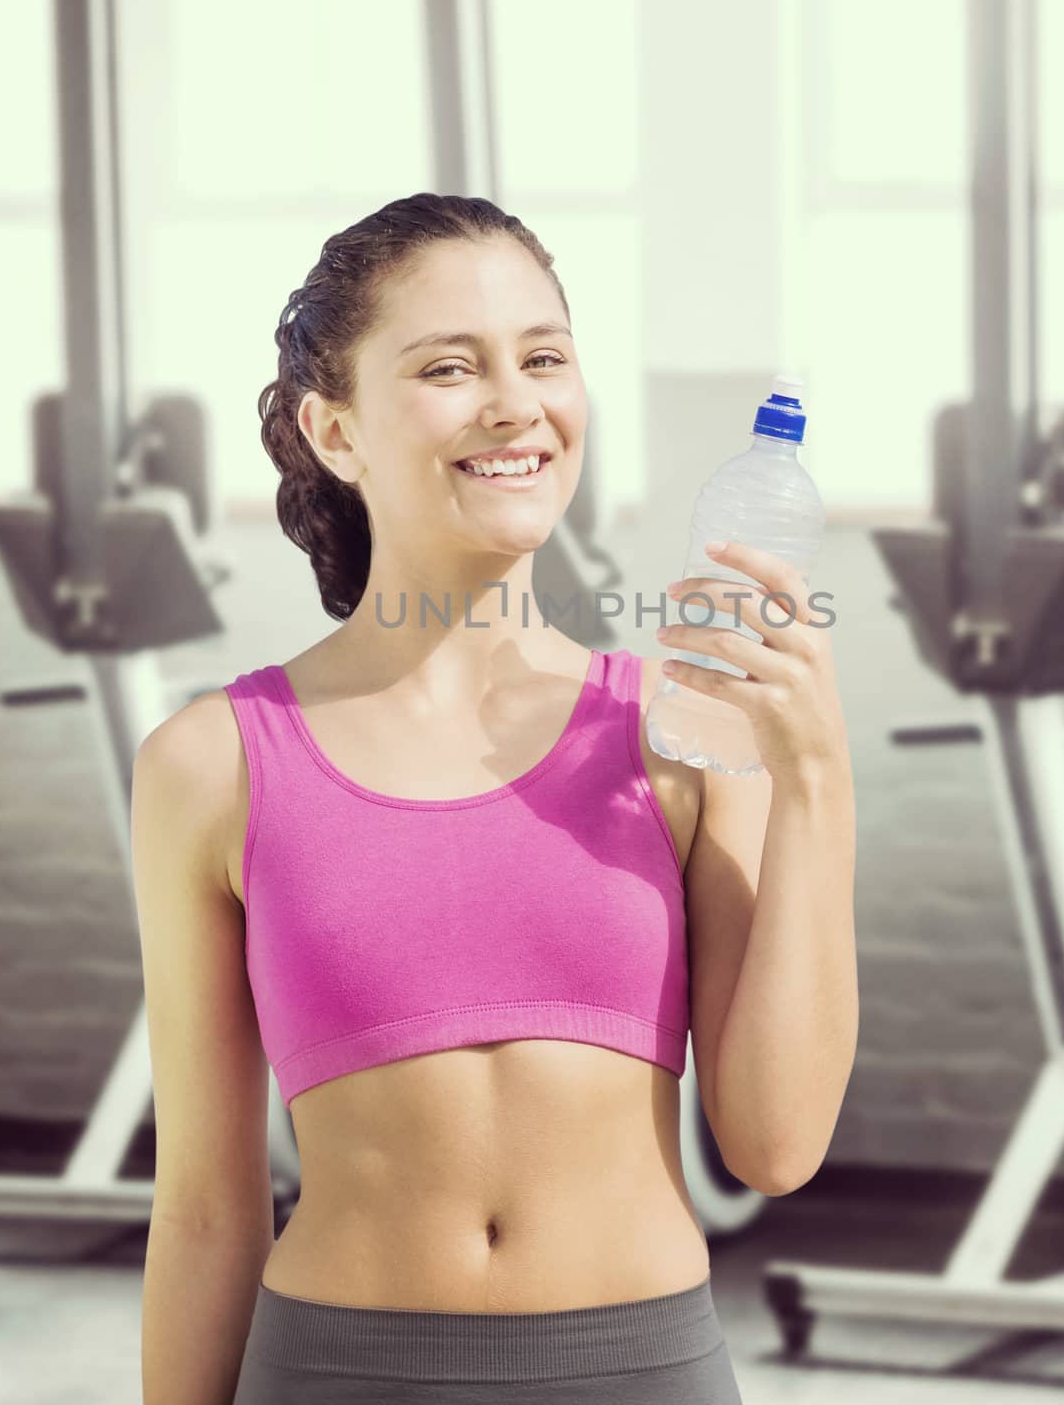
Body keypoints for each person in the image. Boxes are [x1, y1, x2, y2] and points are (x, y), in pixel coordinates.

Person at [133, 194, 768, 1403]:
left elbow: (778, 1146)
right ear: (336, 430)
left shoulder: (681, 738)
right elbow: (207, 1211)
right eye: (447, 367)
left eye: (543, 357)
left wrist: (819, 768)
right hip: (332, 1372)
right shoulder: (209, 764)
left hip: (641, 1372)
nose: (514, 402)